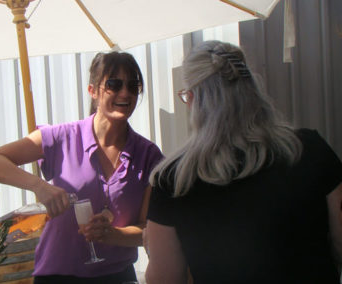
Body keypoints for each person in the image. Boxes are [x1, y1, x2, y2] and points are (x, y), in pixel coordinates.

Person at [145, 40, 342, 284]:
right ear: (251, 89)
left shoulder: (174, 179)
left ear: (195, 100)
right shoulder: (308, 148)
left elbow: (165, 279)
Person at [0, 51, 163, 284]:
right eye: (114, 84)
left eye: (133, 86)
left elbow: (148, 230)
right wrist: (38, 186)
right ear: (92, 91)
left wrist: (113, 234)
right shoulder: (61, 137)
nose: (125, 93)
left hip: (117, 276)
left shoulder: (149, 155)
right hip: (58, 276)